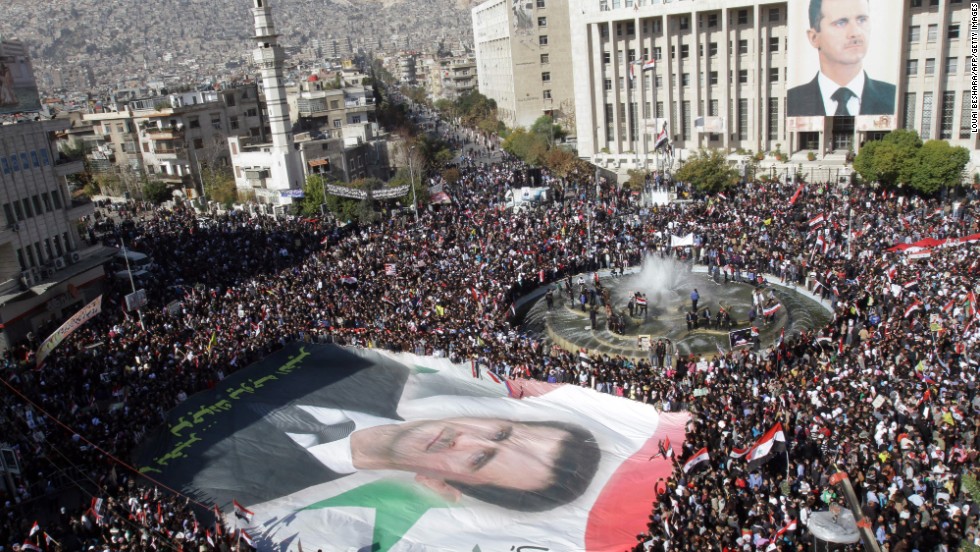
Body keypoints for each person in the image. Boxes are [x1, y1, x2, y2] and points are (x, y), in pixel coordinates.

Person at [786, 0, 896, 116]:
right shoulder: (792, 102)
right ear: (814, 38)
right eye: (841, 23)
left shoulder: (892, 97)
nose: (856, 32)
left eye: (862, 20)